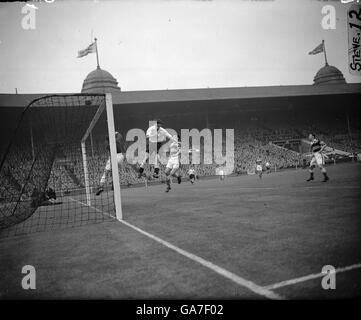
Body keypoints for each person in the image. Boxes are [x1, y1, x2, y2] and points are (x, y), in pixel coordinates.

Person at [96, 132, 127, 196]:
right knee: (118, 171)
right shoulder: (117, 141)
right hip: (120, 157)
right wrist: (116, 133)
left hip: (113, 157)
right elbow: (120, 136)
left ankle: (101, 187)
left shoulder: (108, 146)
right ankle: (117, 184)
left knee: (105, 173)